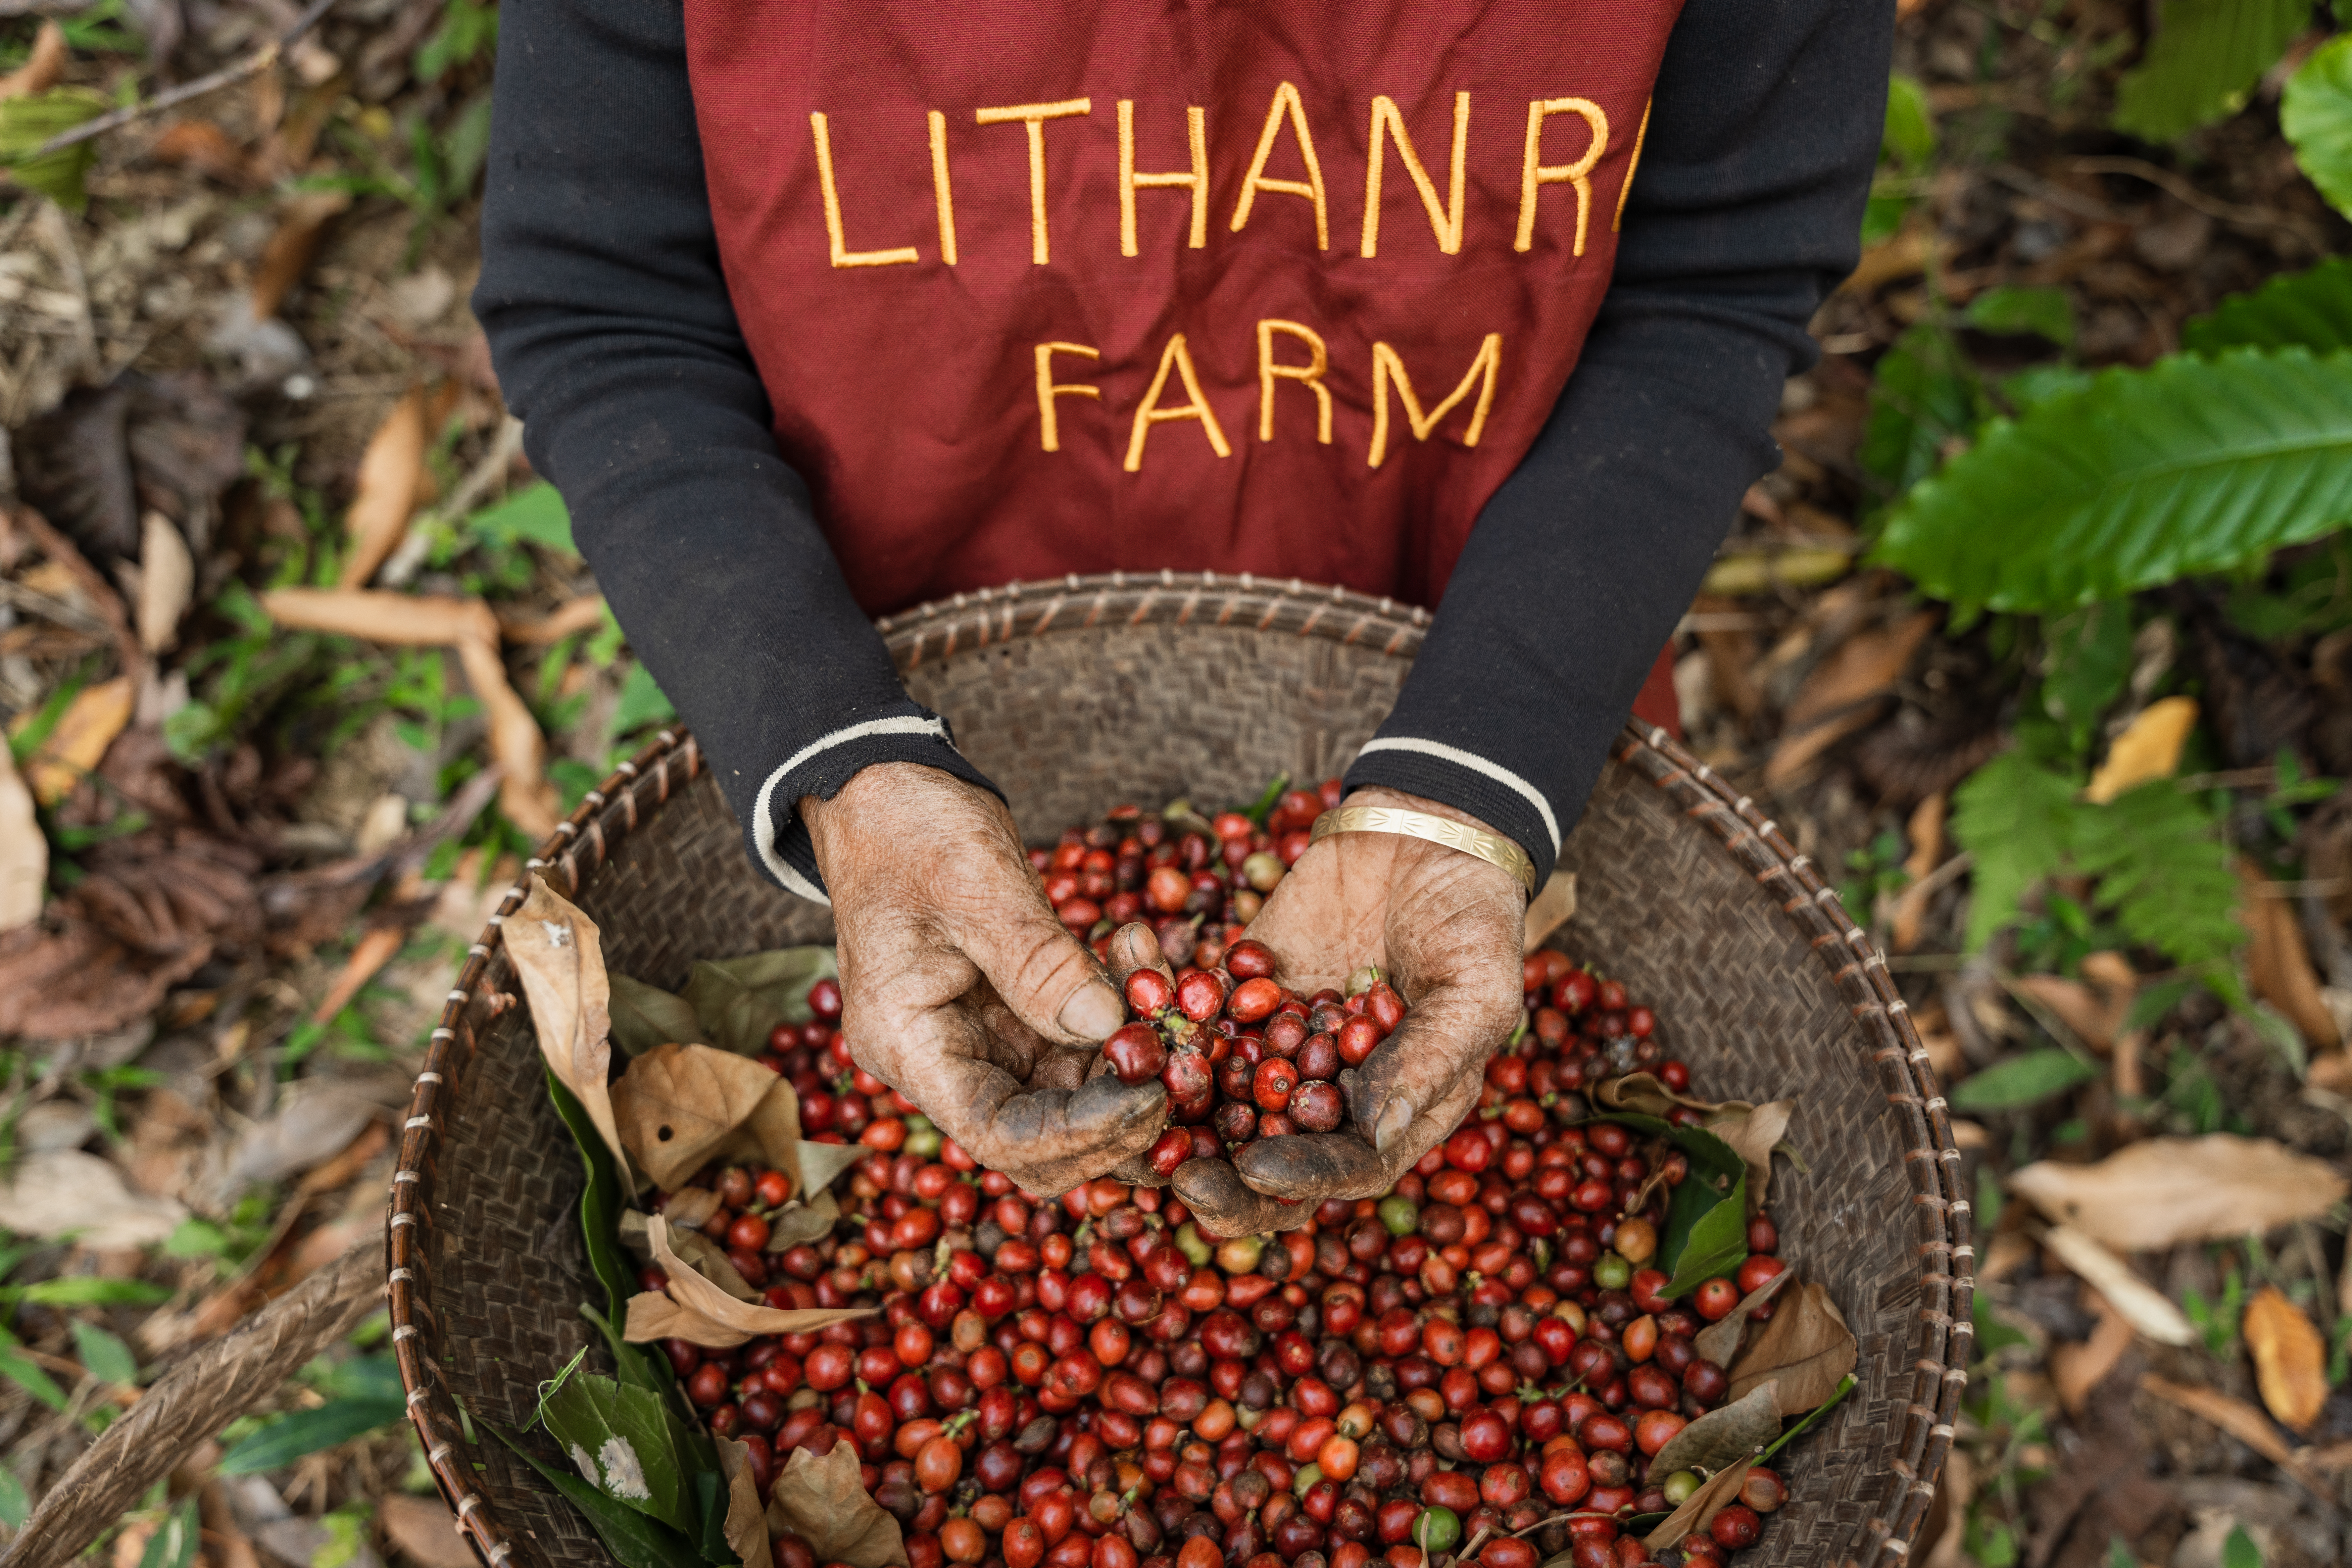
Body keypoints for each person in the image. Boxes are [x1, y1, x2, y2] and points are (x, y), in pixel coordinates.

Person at [475, 0, 1891, 1234]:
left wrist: (1482, 769)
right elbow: (607, 297)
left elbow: (1716, 271)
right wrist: (836, 746)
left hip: (1486, 600)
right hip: (915, 610)